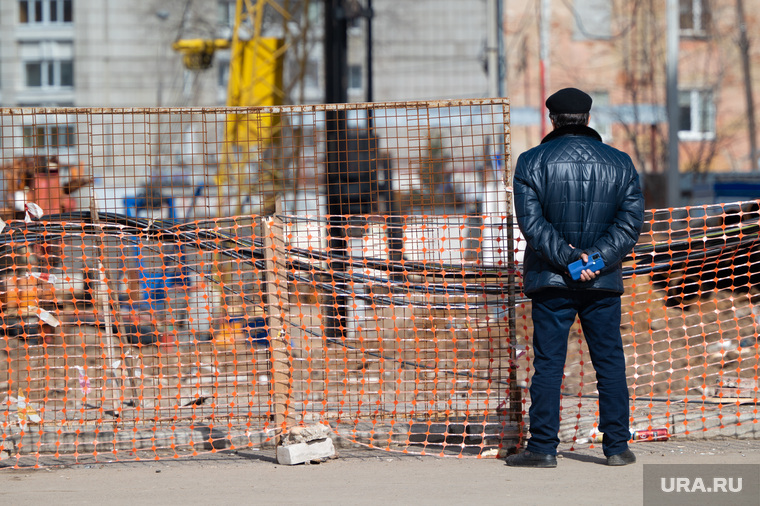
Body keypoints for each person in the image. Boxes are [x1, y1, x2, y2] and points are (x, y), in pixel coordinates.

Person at [507, 88, 645, 467]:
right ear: (587, 117)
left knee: (549, 363)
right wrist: (595, 260)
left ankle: (543, 449)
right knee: (609, 363)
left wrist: (570, 259)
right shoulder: (620, 162)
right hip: (602, 281)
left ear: (552, 118)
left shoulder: (531, 162)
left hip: (552, 280)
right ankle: (617, 448)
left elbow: (532, 226)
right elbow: (630, 223)